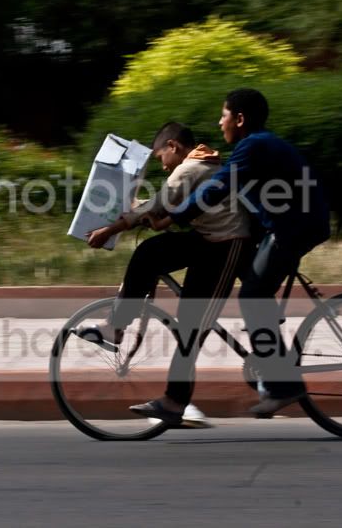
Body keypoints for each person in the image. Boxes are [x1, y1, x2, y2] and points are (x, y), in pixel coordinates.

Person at [160, 88, 331, 417]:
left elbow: (217, 188)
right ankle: (269, 354)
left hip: (293, 228)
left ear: (239, 119)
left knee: (253, 296)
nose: (219, 122)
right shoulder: (257, 145)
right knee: (252, 280)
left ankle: (283, 386)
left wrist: (175, 215)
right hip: (286, 225)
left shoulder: (253, 146)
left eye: (223, 115)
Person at [79, 122, 255, 426]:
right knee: (150, 253)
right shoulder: (200, 165)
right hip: (206, 241)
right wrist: (139, 213)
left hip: (226, 247)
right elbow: (166, 208)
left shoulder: (191, 168)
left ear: (173, 146)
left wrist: (109, 229)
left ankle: (174, 402)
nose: (162, 165)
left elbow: (159, 204)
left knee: (191, 330)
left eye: (161, 157)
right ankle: (117, 325)